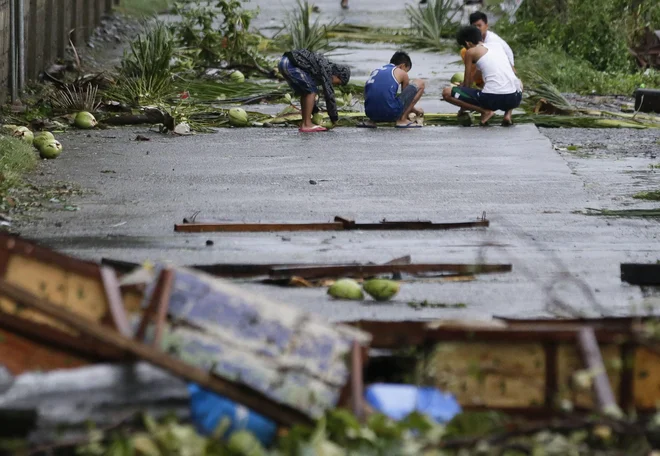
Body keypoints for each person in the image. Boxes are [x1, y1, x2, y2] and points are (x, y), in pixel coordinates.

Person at [442, 25, 523, 126]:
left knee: (446, 92)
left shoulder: (470, 52)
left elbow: (467, 86)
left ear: (467, 43)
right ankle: (507, 115)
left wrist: (462, 108)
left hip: (492, 99)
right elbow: (477, 75)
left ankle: (485, 112)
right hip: (514, 99)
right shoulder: (497, 46)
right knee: (518, 82)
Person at [278, 49, 351, 133]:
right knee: (311, 91)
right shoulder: (327, 70)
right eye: (338, 83)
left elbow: (312, 97)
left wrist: (315, 112)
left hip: (283, 62)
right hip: (290, 64)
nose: (336, 85)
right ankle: (307, 124)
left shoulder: (323, 69)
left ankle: (304, 123)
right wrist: (334, 118)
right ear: (338, 75)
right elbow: (329, 95)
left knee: (305, 92)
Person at [362, 51, 426, 129]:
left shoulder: (376, 71)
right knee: (420, 83)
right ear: (402, 66)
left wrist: (415, 111)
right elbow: (406, 101)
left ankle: (371, 121)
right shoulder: (401, 72)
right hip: (390, 113)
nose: (405, 73)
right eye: (406, 70)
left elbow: (366, 93)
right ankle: (402, 120)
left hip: (370, 113)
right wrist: (416, 111)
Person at [460, 11, 515, 89]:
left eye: (479, 25)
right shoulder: (478, 40)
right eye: (474, 26)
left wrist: (469, 82)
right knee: (464, 51)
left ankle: (479, 82)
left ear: (486, 26)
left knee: (468, 53)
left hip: (507, 70)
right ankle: (478, 81)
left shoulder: (492, 41)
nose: (477, 29)